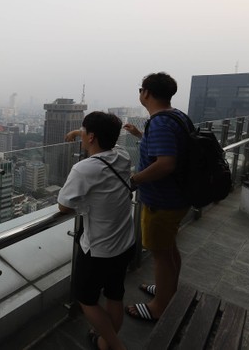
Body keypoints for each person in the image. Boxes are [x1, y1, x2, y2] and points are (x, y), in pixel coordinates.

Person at [59, 111, 135, 350]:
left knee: (87, 300)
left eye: (83, 132)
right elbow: (103, 145)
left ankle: (115, 345)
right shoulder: (122, 154)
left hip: (99, 248)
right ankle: (104, 342)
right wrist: (79, 133)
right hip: (125, 240)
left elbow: (64, 206)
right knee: (115, 295)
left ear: (91, 137)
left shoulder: (83, 169)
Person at [123, 72, 190, 322]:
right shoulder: (176, 116)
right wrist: (140, 136)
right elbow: (168, 150)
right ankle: (167, 290)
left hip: (163, 200)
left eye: (141, 89)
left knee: (160, 254)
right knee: (169, 249)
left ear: (147, 93)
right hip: (178, 196)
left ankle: (160, 306)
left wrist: (134, 180)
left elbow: (165, 164)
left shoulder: (160, 122)